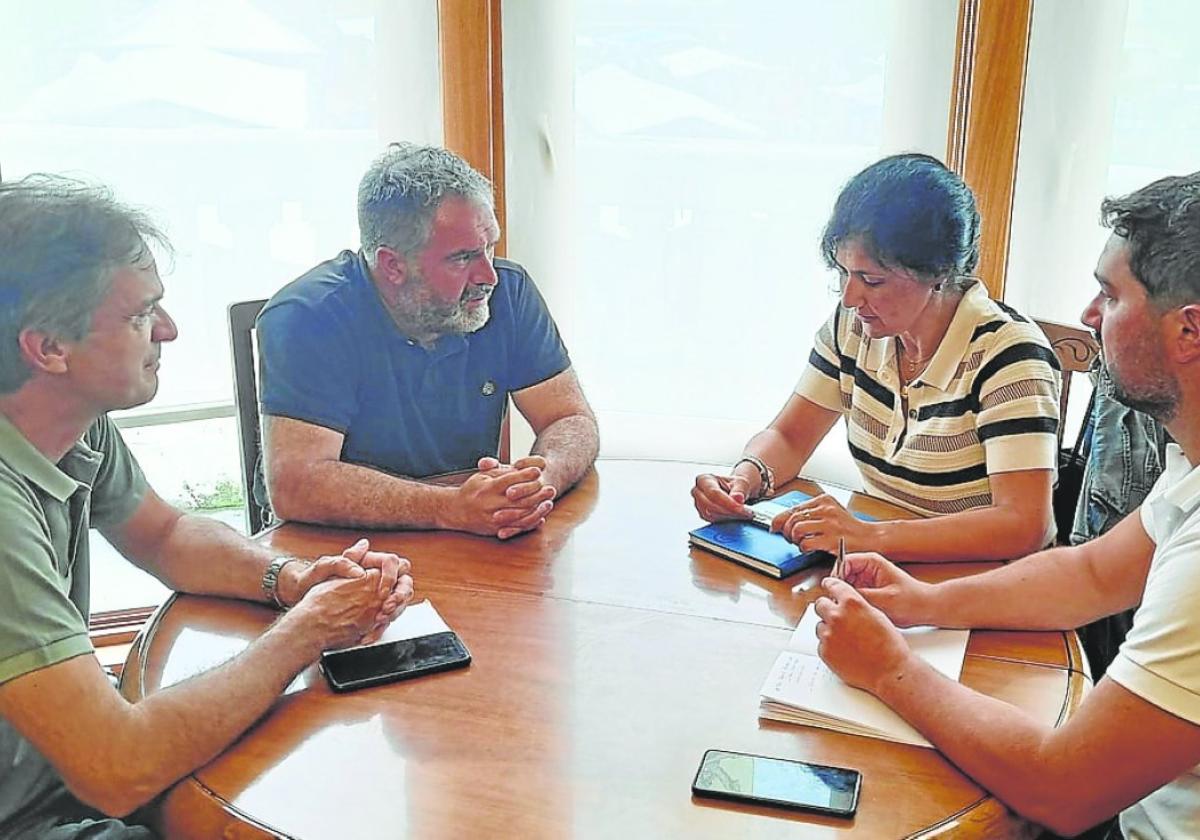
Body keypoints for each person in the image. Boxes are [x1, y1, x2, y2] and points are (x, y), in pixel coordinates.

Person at [0, 175, 414, 839]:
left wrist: (289, 580)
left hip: (53, 772)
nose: (168, 329)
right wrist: (307, 631)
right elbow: (117, 766)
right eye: (139, 316)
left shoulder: (70, 423)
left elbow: (165, 536)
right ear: (49, 348)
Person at [815, 172, 1200, 838]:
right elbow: (1089, 575)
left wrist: (891, 667)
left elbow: (1066, 786)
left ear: (1190, 331)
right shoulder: (1187, 468)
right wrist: (921, 602)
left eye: (1109, 295)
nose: (1085, 317)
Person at [692, 154, 1061, 562]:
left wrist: (871, 536)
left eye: (872, 280)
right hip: (889, 569)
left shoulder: (1009, 355)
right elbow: (789, 437)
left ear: (937, 272)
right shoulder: (853, 329)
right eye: (843, 273)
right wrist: (745, 478)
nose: (850, 298)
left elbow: (1026, 524)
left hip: (985, 585)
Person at [256, 143, 599, 538]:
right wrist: (449, 508)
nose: (489, 275)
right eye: (462, 257)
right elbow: (298, 484)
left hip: (466, 538)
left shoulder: (509, 292)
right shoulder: (308, 314)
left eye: (490, 247)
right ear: (393, 265)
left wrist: (540, 479)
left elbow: (570, 418)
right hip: (337, 548)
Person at [1070, 361, 1170, 679]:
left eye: (1113, 305)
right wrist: (928, 601)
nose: (1090, 317)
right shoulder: (1181, 476)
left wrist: (908, 673)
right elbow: (1094, 572)